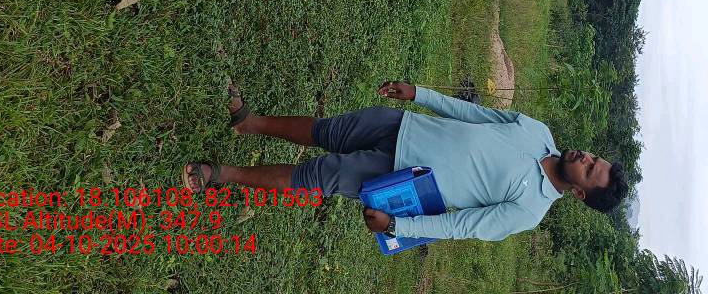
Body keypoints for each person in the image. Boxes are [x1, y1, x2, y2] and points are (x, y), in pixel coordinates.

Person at [181, 80, 629, 243]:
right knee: (326, 130)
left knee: (317, 174)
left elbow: (461, 226)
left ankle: (221, 175)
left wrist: (398, 226)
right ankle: (249, 123)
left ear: (579, 192)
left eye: (590, 169)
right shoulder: (538, 133)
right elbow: (474, 114)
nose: (585, 157)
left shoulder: (529, 211)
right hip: (404, 127)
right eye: (595, 156)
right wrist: (421, 95)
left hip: (400, 179)